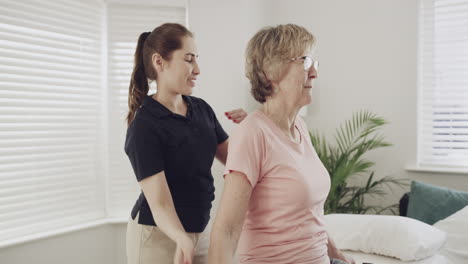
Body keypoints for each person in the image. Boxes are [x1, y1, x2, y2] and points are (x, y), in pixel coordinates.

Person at [208, 24, 355, 264]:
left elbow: (309, 216)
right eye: (306, 62)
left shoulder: (299, 128)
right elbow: (226, 230)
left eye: (315, 63)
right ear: (270, 71)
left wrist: (337, 255)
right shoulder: (252, 133)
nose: (315, 72)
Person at [124, 23, 246, 264]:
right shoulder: (144, 126)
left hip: (201, 231)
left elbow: (238, 160)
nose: (197, 69)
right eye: (189, 59)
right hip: (158, 237)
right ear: (160, 62)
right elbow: (159, 203)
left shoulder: (201, 109)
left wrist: (253, 128)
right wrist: (181, 237)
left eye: (196, 59)